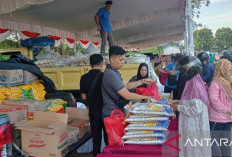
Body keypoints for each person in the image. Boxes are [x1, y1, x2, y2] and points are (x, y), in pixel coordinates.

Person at [170, 56, 211, 157]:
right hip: (190, 125)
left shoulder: (196, 86)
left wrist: (177, 107)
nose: (184, 73)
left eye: (185, 70)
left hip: (195, 128)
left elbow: (195, 109)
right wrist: (178, 101)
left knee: (194, 151)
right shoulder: (192, 83)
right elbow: (190, 101)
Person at [102, 46, 153, 118]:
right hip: (112, 113)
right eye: (121, 60)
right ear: (112, 60)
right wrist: (147, 98)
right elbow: (127, 95)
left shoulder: (114, 72)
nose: (123, 62)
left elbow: (127, 85)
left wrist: (142, 81)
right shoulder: (111, 74)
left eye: (123, 59)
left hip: (116, 111)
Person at [80, 54, 105, 157]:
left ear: (90, 64)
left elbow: (84, 97)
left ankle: (96, 155)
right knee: (109, 137)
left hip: (93, 111)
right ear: (101, 64)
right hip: (106, 110)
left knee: (96, 137)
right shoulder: (105, 76)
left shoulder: (84, 77)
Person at [208, 59, 232, 157]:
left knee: (214, 142)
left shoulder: (216, 82)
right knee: (225, 143)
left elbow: (213, 99)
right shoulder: (230, 82)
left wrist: (224, 109)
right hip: (228, 118)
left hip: (217, 118)